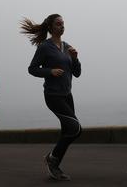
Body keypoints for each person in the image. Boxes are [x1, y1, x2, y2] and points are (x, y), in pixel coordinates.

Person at [21, 14, 82, 181]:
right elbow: (32, 69)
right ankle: (52, 159)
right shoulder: (44, 47)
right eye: (58, 24)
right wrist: (50, 71)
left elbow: (76, 73)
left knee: (68, 131)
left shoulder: (67, 47)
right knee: (76, 128)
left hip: (67, 95)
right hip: (53, 95)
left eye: (63, 24)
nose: (62, 26)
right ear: (51, 27)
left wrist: (75, 59)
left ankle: (54, 164)